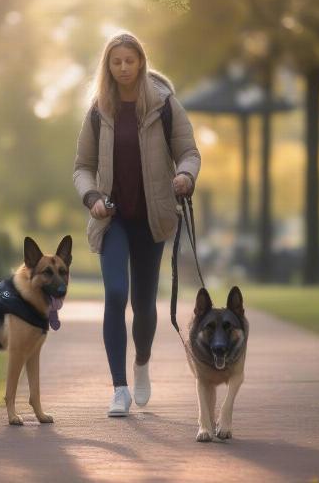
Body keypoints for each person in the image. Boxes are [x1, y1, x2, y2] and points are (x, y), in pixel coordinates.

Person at [73, 32, 201, 416]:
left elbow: (189, 152)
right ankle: (119, 388)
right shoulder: (99, 109)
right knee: (115, 293)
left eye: (130, 60)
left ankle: (141, 361)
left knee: (144, 305)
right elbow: (82, 166)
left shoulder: (164, 105)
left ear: (141, 62)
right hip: (113, 219)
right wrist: (92, 198)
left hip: (152, 217)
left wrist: (184, 176)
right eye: (117, 62)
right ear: (108, 66)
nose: (124, 67)